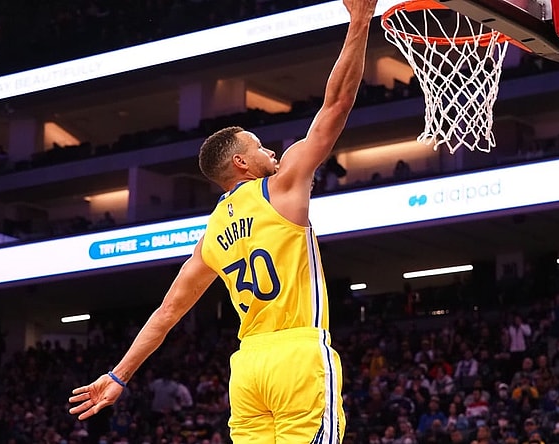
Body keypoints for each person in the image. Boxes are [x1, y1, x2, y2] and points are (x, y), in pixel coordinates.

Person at [67, 1, 378, 442]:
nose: (271, 151)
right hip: (296, 354)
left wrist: (119, 375)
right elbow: (337, 104)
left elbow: (167, 313)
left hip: (247, 369)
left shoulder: (211, 234)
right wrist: (360, 21)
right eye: (260, 147)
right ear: (241, 163)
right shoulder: (281, 186)